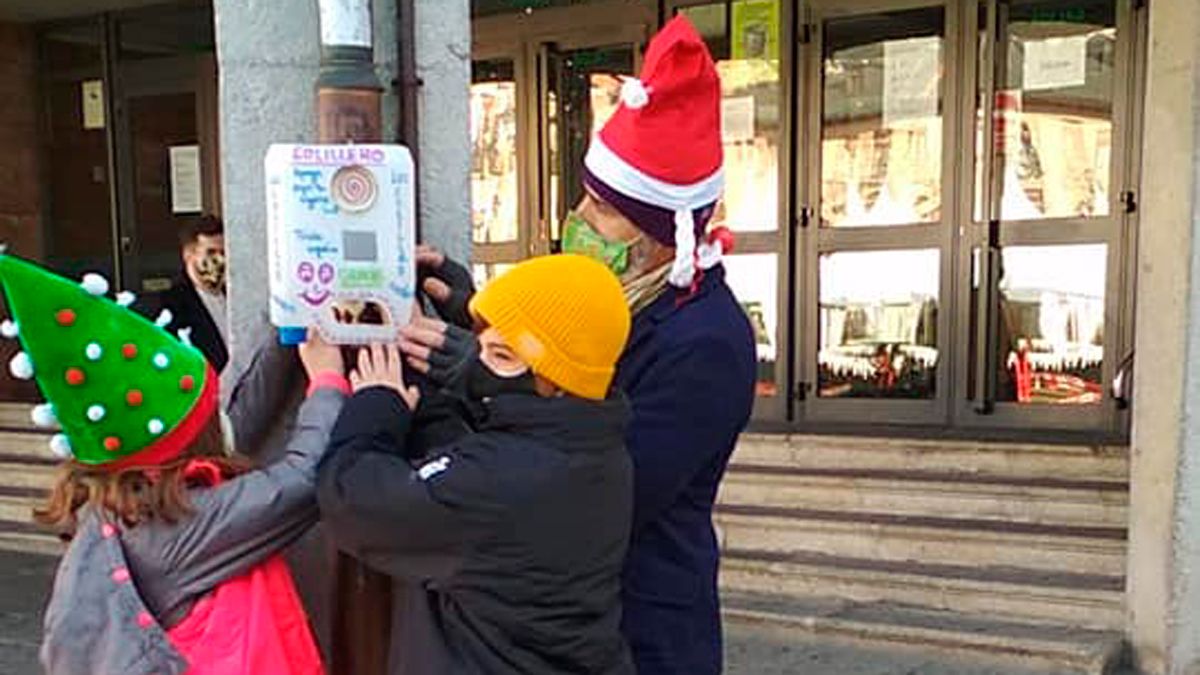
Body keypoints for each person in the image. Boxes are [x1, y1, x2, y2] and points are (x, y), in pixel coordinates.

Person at [404, 16, 757, 675]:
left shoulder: (707, 342)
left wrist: (481, 370)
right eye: (587, 198)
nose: (581, 219)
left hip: (642, 630)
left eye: (604, 209)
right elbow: (560, 353)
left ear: (662, 236)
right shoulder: (632, 294)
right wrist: (477, 310)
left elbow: (603, 491)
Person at [0, 254, 349, 674]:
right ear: (192, 440)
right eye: (211, 410)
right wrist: (328, 379)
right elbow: (303, 479)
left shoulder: (120, 507)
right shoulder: (181, 524)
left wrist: (286, 316)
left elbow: (246, 413)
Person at [318, 254, 635, 674]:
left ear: (558, 377)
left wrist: (375, 404)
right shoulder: (594, 444)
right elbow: (463, 458)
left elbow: (352, 498)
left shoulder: (499, 480)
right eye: (479, 342)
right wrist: (424, 388)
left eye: (501, 355)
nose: (479, 364)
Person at [160, 214, 229, 372]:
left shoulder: (236, 297)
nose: (219, 259)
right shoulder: (172, 305)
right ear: (188, 255)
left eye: (223, 252)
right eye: (210, 252)